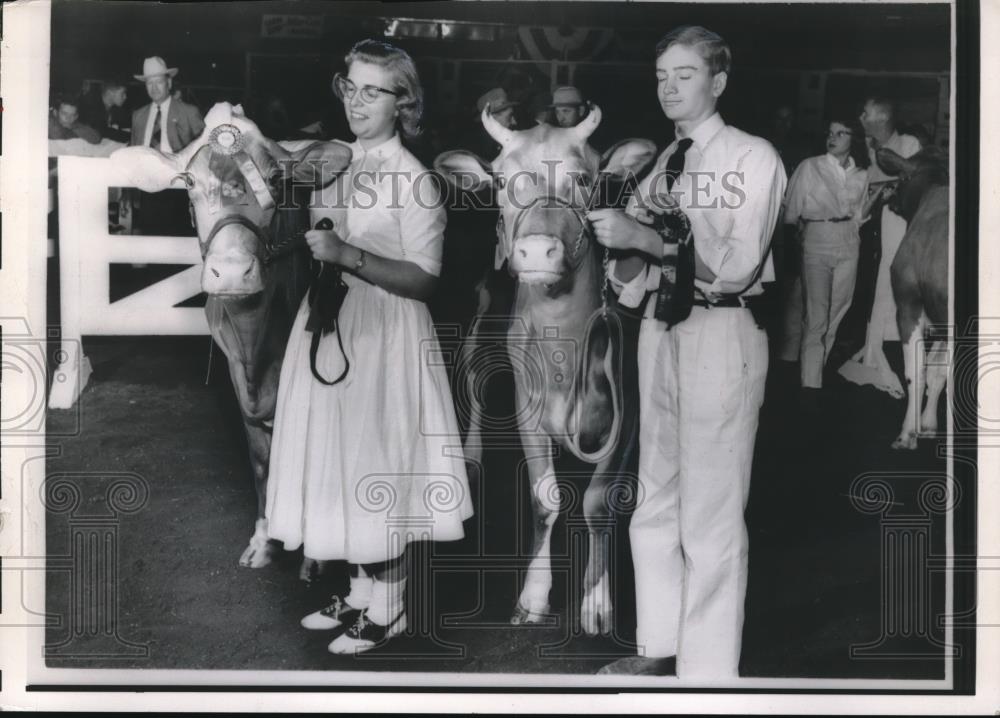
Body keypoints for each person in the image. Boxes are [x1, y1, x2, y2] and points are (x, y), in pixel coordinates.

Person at [586, 25, 786, 680]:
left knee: (711, 512)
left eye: (685, 74)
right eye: (662, 76)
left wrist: (641, 239)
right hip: (659, 332)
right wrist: (619, 258)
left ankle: (706, 673)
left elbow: (735, 262)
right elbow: (636, 268)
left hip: (721, 333)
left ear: (718, 81)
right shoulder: (660, 163)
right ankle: (658, 643)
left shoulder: (752, 158)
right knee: (655, 496)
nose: (670, 87)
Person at [265, 39, 473, 655]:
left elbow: (426, 278)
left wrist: (349, 255)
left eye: (374, 90)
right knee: (342, 461)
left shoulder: (416, 180)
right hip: (333, 323)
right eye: (350, 86)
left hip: (386, 333)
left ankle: (391, 608)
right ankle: (359, 594)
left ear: (402, 102)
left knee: (382, 465)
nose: (358, 101)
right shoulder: (332, 160)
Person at [780, 116, 882, 400]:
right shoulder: (810, 166)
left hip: (850, 240)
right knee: (816, 317)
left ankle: (814, 374)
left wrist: (877, 198)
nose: (833, 137)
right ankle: (810, 389)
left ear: (854, 139)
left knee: (837, 313)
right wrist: (800, 241)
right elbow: (791, 215)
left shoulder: (862, 173)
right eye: (830, 132)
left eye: (841, 133)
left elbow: (860, 216)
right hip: (817, 238)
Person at [837, 96, 922, 395]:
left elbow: (911, 181)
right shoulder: (870, 150)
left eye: (865, 114)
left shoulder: (909, 144)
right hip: (876, 234)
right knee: (877, 290)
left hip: (901, 230)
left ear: (882, 118)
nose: (860, 118)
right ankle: (876, 349)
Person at [128, 56, 205, 237]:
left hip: (178, 190)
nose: (154, 88)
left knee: (178, 242)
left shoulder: (189, 112)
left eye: (159, 82)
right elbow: (132, 152)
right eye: (149, 83)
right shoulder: (138, 116)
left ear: (169, 83)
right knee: (151, 243)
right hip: (147, 189)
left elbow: (205, 149)